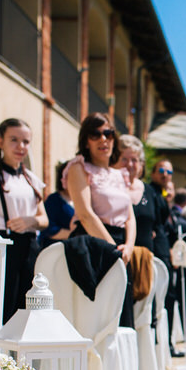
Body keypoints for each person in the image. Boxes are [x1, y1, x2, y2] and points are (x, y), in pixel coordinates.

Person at [62, 112, 136, 328]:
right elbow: (85, 213)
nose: (103, 139)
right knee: (96, 316)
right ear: (86, 140)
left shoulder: (118, 174)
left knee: (121, 314)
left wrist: (129, 246)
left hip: (122, 247)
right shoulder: (79, 167)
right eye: (95, 134)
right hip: (94, 244)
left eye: (108, 133)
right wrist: (112, 250)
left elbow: (129, 216)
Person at [0, 118, 48, 321]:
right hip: (4, 250)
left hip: (30, 249)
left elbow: (44, 219)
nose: (21, 146)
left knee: (29, 312)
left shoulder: (30, 177)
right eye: (14, 139)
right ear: (0, 141)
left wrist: (30, 221)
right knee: (3, 313)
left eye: (26, 141)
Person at [150, 159, 186, 356]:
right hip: (156, 253)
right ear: (152, 173)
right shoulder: (149, 192)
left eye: (169, 171)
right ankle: (160, 346)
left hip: (166, 254)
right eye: (161, 170)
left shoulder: (162, 196)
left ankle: (166, 345)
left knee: (168, 300)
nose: (165, 174)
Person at [40, 161, 76, 247]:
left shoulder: (85, 201)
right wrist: (75, 235)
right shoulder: (53, 200)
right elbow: (49, 229)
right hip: (56, 250)